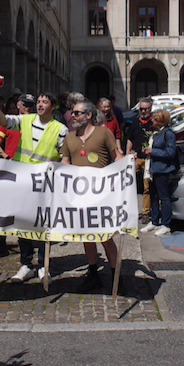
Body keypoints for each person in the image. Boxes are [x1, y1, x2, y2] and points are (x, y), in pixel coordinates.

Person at [0, 91, 69, 283]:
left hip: (45, 184)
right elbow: (4, 120)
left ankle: (43, 265)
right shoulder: (24, 120)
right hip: (23, 180)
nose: (40, 104)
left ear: (53, 107)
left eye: (45, 102)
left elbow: (64, 156)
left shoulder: (60, 129)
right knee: (23, 222)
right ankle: (26, 264)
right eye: (39, 102)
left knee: (42, 224)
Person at [60, 100, 122, 291]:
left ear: (88, 115)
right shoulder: (70, 138)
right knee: (87, 236)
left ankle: (116, 276)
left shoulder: (104, 133)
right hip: (80, 196)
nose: (73, 116)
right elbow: (65, 161)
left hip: (101, 195)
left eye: (77, 113)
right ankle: (93, 273)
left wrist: (126, 167)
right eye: (72, 113)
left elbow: (116, 157)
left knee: (105, 236)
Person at [139, 109, 177, 237]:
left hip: (162, 169)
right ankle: (154, 221)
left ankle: (166, 224)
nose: (152, 121)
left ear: (160, 121)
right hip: (153, 169)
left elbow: (170, 153)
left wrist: (153, 151)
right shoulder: (156, 133)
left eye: (154, 119)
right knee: (153, 196)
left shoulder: (168, 134)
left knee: (164, 197)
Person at [127, 98, 154, 224]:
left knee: (146, 188)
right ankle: (127, 211)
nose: (143, 111)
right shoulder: (135, 122)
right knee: (128, 184)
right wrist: (128, 153)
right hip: (136, 158)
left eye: (146, 109)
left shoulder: (154, 123)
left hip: (148, 160)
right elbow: (129, 139)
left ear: (150, 109)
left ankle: (145, 213)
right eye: (141, 109)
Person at [0, 94, 35, 160]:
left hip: (28, 164)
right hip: (10, 164)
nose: (28, 108)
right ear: (18, 105)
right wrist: (6, 157)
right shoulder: (9, 122)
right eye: (25, 105)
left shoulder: (36, 124)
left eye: (31, 105)